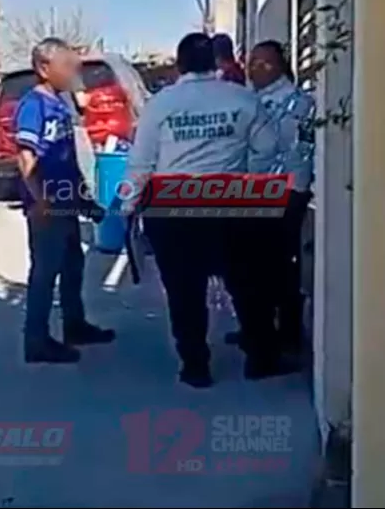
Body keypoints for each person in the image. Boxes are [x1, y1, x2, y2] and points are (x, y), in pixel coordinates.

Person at [124, 32, 295, 388]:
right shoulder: (243, 98)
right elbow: (267, 149)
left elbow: (141, 162)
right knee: (248, 284)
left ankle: (195, 366)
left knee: (184, 290)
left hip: (173, 205)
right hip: (231, 201)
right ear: (214, 63)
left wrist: (128, 205)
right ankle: (261, 358)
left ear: (179, 64)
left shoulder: (162, 104)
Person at [15, 37, 115, 364]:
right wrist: (40, 200)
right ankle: (37, 341)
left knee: (73, 265)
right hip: (48, 206)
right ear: (44, 68)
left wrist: (85, 201)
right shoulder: (34, 105)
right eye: (68, 66)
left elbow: (67, 160)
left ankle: (75, 325)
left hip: (67, 202)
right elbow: (26, 157)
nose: (74, 72)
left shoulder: (60, 103)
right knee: (45, 272)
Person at [245, 39, 314, 354]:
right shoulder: (253, 100)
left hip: (285, 192)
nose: (254, 69)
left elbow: (289, 148)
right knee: (257, 266)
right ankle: (259, 328)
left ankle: (285, 334)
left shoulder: (297, 102)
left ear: (280, 66)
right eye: (251, 62)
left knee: (281, 266)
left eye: (263, 63)